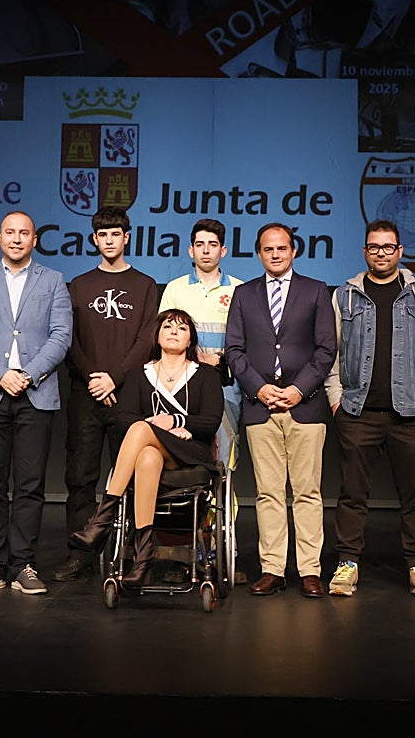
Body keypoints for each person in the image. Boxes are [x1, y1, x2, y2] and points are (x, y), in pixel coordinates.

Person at [323, 219, 415, 599]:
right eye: (374, 247)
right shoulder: (345, 296)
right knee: (351, 494)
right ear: (365, 252)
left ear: (400, 251)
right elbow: (332, 350)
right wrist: (335, 399)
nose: (381, 252)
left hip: (411, 412)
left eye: (388, 247)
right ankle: (347, 564)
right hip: (358, 411)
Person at [69, 308, 224, 588]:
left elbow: (211, 421)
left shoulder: (206, 376)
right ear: (157, 336)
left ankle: (101, 518)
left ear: (190, 340)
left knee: (140, 429)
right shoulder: (140, 375)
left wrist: (175, 421)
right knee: (148, 454)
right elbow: (122, 417)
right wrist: (157, 427)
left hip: (190, 455)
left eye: (181, 328)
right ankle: (144, 555)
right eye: (167, 327)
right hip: (153, 454)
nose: (174, 332)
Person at [0, 210, 72, 595]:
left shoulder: (54, 281)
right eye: (9, 232)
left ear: (34, 240)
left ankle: (24, 564)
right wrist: (1, 374)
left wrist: (27, 375)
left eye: (24, 233)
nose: (16, 238)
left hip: (36, 394)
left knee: (30, 485)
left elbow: (61, 336)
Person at [225, 222, 336, 598]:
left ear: (293, 252)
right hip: (260, 407)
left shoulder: (316, 291)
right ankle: (272, 568)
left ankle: (309, 570)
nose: (275, 254)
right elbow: (234, 352)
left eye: (282, 248)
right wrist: (260, 388)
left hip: (305, 406)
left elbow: (325, 350)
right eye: (268, 249)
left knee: (307, 491)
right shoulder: (243, 294)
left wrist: (296, 389)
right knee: (269, 492)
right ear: (260, 253)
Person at [52, 206, 158, 582]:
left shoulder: (146, 286)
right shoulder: (77, 285)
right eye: (103, 235)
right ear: (94, 239)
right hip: (86, 395)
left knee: (130, 477)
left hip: (128, 395)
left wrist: (113, 378)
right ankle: (81, 553)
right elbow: (68, 339)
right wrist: (94, 379)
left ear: (127, 238)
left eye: (116, 234)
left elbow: (147, 340)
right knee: (80, 477)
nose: (110, 240)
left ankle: (130, 553)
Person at [158, 217, 244, 583]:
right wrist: (196, 357)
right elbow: (164, 337)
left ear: (223, 250)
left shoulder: (240, 290)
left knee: (222, 470)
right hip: (182, 392)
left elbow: (245, 343)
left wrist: (220, 359)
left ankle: (220, 553)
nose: (206, 250)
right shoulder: (176, 289)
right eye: (200, 244)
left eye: (213, 244)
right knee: (182, 471)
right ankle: (185, 557)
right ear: (191, 250)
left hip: (225, 392)